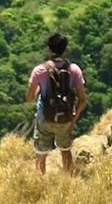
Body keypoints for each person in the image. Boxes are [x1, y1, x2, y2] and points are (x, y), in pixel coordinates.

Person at [26, 33, 87, 175]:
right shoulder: (74, 70)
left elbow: (29, 97)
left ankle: (40, 183)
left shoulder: (39, 70)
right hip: (65, 117)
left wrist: (40, 89)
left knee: (41, 153)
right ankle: (68, 181)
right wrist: (74, 116)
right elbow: (82, 99)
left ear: (49, 49)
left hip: (45, 116)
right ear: (65, 50)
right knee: (65, 151)